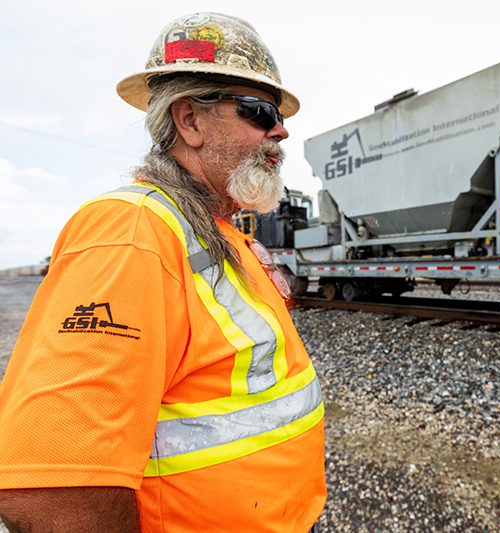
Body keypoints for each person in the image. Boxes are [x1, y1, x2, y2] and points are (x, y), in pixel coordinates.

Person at [0, 13, 325, 533]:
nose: (280, 130)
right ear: (190, 121)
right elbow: (53, 490)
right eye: (259, 111)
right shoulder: (130, 233)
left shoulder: (218, 230)